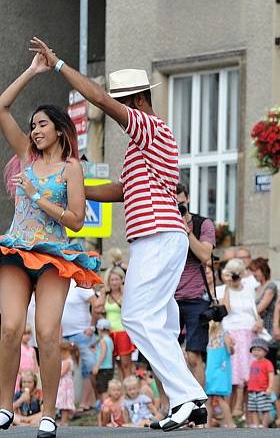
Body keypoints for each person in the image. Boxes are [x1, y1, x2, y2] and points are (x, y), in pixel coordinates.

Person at [30, 38, 208, 431]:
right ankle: (188, 399)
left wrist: (60, 66)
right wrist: (72, 183)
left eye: (123, 102)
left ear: (138, 101)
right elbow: (121, 191)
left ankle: (188, 396)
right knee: (157, 321)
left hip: (159, 234)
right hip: (155, 236)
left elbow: (102, 103)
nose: (119, 108)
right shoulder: (139, 146)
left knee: (136, 314)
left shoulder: (150, 126)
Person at [0, 52, 102, 438]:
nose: (36, 130)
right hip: (15, 249)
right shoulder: (25, 154)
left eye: (42, 124)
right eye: (33, 126)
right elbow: (2, 106)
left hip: (54, 255)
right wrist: (31, 70)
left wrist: (39, 198)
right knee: (10, 327)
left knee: (46, 331)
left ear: (60, 130)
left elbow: (76, 220)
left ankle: (48, 411)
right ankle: (4, 407)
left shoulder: (70, 169)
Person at [175, 183, 215, 387]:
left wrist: (186, 230)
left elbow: (205, 255)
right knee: (167, 357)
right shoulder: (165, 225)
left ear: (187, 199)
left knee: (193, 356)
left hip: (196, 299)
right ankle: (170, 406)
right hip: (171, 298)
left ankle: (200, 408)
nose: (178, 207)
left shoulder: (203, 224)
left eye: (181, 203)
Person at [220, 258, 262, 418]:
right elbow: (226, 309)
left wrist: (259, 321)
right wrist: (227, 284)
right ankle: (230, 410)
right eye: (233, 273)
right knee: (234, 369)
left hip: (250, 331)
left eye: (237, 273)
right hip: (231, 332)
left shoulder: (250, 286)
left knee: (247, 368)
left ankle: (243, 410)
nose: (236, 276)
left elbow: (254, 310)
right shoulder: (222, 289)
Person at [60, 280, 99, 412]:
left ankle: (86, 402)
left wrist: (92, 327)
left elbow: (96, 304)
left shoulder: (80, 283)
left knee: (88, 369)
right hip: (65, 335)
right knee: (68, 372)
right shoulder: (60, 283)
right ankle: (69, 405)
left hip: (82, 334)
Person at [98, 267, 135, 379]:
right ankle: (119, 391)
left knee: (125, 365)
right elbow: (97, 307)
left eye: (116, 279)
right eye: (111, 280)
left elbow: (131, 309)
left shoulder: (125, 294)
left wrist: (125, 292)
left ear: (122, 280)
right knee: (113, 365)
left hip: (122, 332)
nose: (114, 282)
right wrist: (103, 293)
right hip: (109, 333)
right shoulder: (107, 295)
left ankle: (128, 387)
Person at [204, 320, 234, 429]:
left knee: (217, 398)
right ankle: (208, 424)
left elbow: (230, 351)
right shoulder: (210, 336)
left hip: (218, 370)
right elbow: (230, 351)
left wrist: (231, 346)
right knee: (211, 399)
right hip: (213, 370)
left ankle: (229, 423)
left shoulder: (221, 334)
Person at [250, 257, 279, 365]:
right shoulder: (255, 288)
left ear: (263, 269)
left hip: (268, 330)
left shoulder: (271, 286)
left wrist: (252, 312)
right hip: (256, 331)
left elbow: (260, 307)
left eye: (256, 270)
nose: (253, 273)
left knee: (270, 365)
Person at [246, 338, 276, 428]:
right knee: (253, 409)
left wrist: (270, 387)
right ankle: (256, 425)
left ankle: (264, 425)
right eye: (254, 350)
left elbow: (271, 375)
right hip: (252, 391)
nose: (256, 352)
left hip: (262, 391)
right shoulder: (253, 363)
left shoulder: (267, 363)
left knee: (265, 409)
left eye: (259, 350)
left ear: (265, 352)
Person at [92, 319, 115, 402]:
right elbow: (109, 351)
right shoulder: (110, 340)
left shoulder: (102, 340)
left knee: (103, 389)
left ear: (100, 329)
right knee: (107, 387)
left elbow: (103, 353)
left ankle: (105, 406)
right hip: (109, 367)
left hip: (103, 367)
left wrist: (97, 366)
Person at [54, 341, 75, 426]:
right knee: (62, 404)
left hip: (65, 385)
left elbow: (61, 373)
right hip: (63, 384)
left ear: (65, 351)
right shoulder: (67, 361)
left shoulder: (67, 361)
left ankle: (64, 421)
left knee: (65, 404)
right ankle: (62, 420)